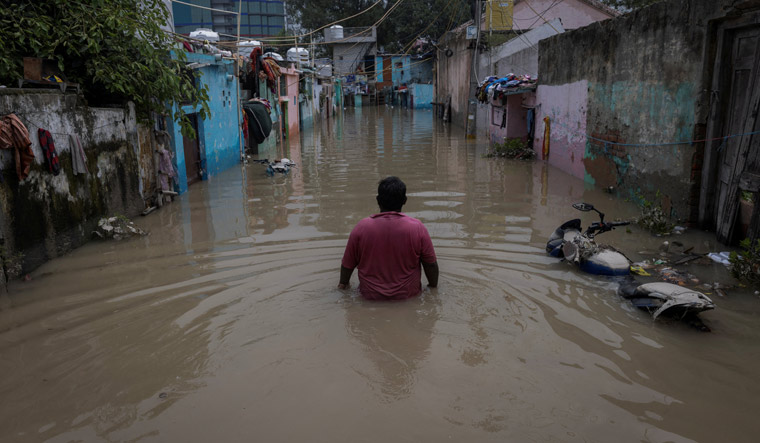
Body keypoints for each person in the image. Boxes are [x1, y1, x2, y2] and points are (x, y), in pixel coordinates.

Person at [338, 176, 439, 300]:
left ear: (378, 200)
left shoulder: (361, 228)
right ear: (405, 200)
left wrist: (343, 285)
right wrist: (433, 288)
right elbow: (431, 265)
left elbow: (347, 265)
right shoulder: (417, 228)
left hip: (370, 298)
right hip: (407, 298)